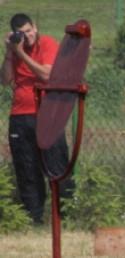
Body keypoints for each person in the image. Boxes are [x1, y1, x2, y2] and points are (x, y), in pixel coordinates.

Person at [1, 13, 74, 226]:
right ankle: (33, 219)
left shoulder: (48, 44)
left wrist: (22, 55)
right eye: (21, 33)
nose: (27, 36)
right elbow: (5, 80)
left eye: (29, 31)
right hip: (20, 115)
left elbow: (47, 75)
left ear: (35, 28)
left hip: (47, 113)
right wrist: (9, 52)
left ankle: (65, 218)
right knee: (27, 168)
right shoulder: (15, 50)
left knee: (56, 164)